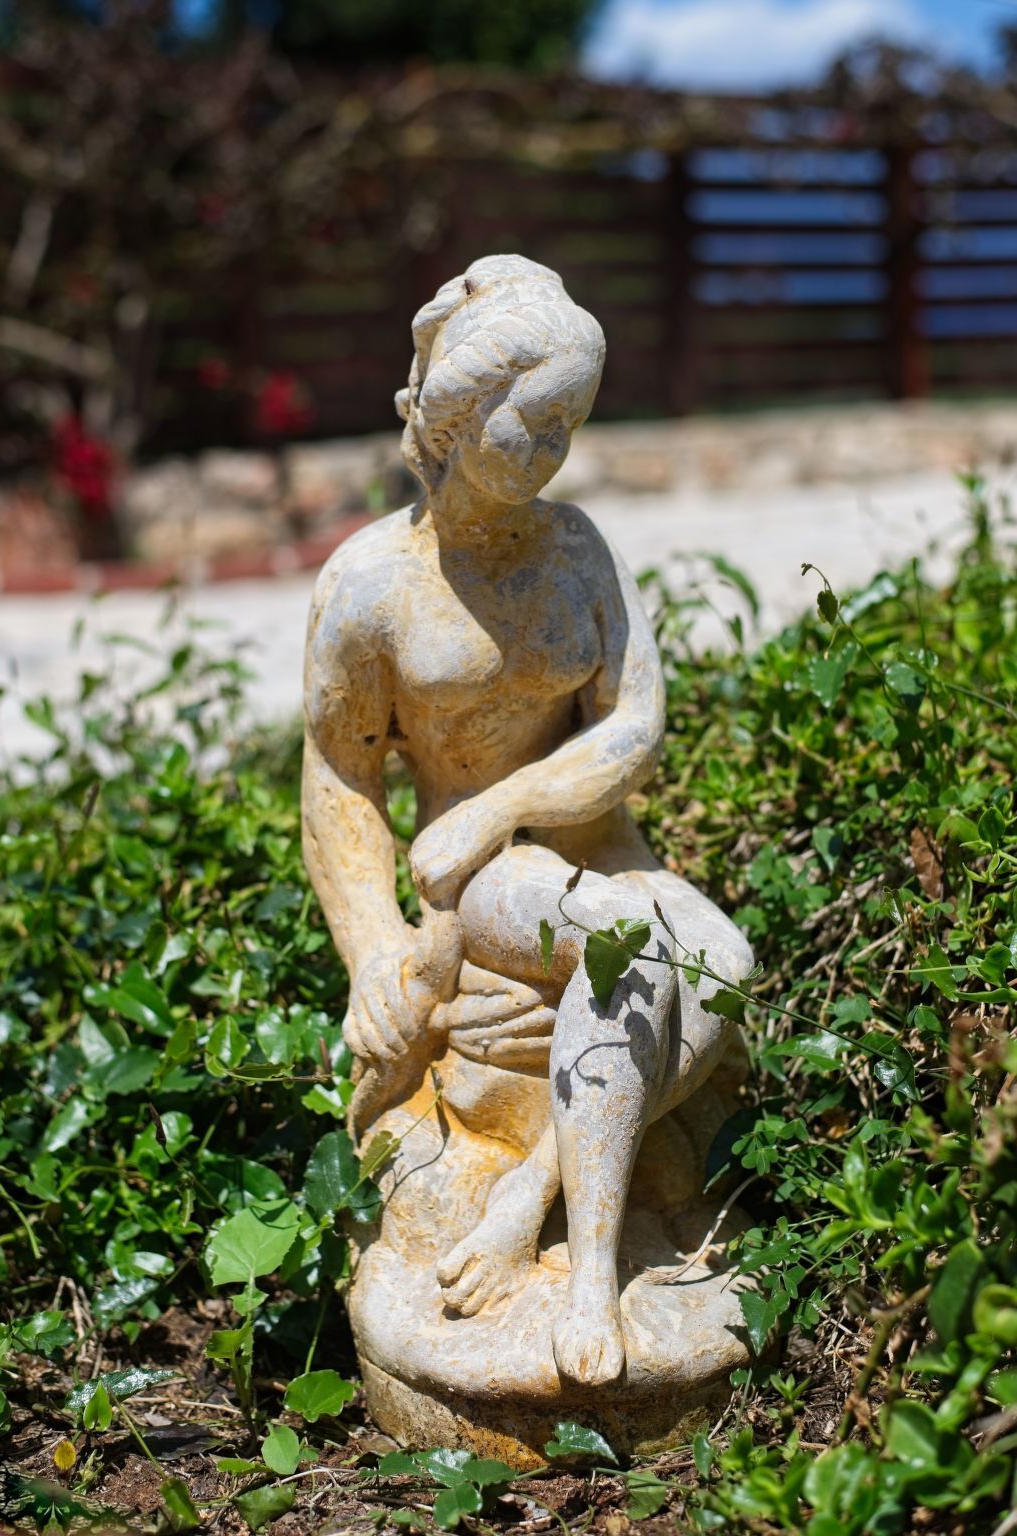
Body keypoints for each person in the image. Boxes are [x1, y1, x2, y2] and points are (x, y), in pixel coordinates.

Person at [302, 254, 752, 1386]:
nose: (554, 451)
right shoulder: (372, 584)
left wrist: (509, 797)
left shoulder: (578, 551)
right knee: (624, 948)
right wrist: (374, 953)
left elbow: (632, 728)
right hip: (480, 876)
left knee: (728, 965)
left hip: (589, 851)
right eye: (532, 424)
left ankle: (530, 1195)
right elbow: (339, 781)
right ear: (456, 419)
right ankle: (592, 1276)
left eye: (571, 425)